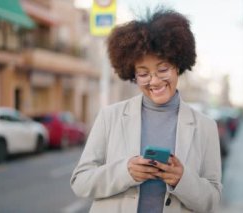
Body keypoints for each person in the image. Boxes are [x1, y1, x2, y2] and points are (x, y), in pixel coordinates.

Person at [70, 8, 222, 213]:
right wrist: (126, 171)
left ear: (177, 66)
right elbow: (80, 182)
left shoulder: (205, 126)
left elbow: (212, 200)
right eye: (143, 73)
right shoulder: (110, 117)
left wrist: (181, 179)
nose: (155, 81)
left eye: (162, 69)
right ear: (133, 75)